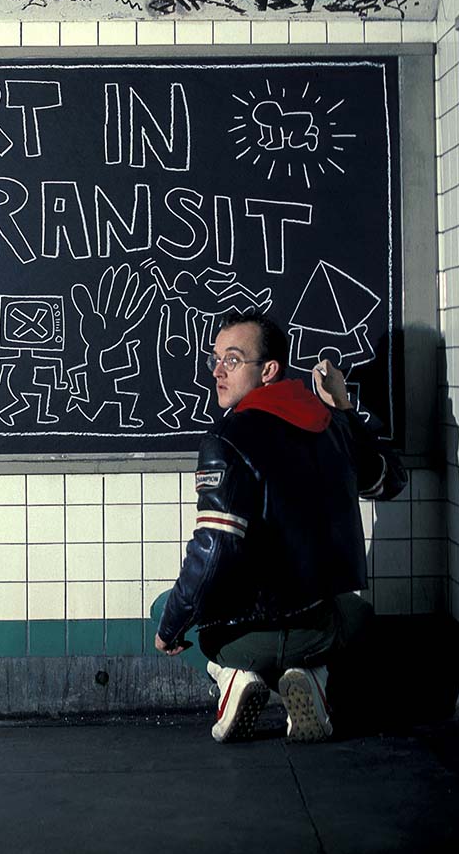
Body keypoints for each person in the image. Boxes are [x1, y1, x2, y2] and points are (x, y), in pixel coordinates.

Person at [153, 310, 407, 743]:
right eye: (215, 359)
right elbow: (390, 481)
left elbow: (214, 548)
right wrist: (343, 406)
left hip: (243, 638)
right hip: (319, 633)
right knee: (359, 615)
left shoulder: (225, 439)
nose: (217, 371)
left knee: (163, 607)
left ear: (268, 370)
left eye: (232, 360)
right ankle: (313, 676)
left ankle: (232, 677)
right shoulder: (332, 426)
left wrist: (170, 627)